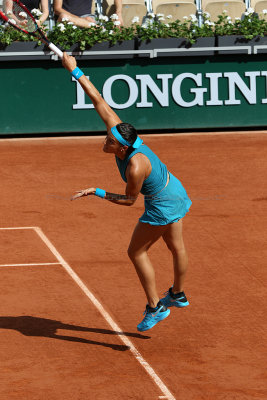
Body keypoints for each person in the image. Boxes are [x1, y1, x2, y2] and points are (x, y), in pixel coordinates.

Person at [62, 53, 192, 332]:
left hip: (162, 204)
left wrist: (96, 191)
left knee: (136, 252)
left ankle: (155, 307)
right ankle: (178, 294)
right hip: (175, 189)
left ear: (123, 148)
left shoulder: (135, 167)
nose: (105, 140)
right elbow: (98, 98)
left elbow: (129, 201)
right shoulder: (122, 136)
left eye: (110, 142)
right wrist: (74, 70)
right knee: (176, 247)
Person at [54, 0, 123, 27]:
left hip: (88, 19)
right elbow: (57, 9)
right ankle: (100, 30)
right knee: (64, 16)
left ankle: (98, 29)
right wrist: (80, 19)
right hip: (67, 20)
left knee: (90, 20)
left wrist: (118, 13)